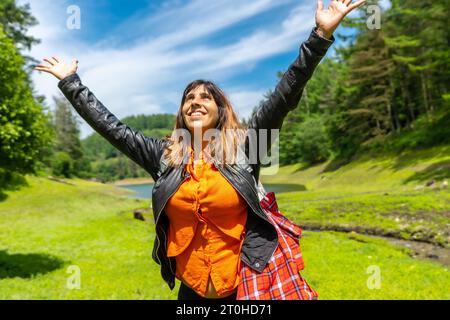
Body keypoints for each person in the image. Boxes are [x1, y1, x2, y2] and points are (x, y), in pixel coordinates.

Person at [35, 0, 366, 300]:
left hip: (245, 290)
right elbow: (111, 127)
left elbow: (284, 96)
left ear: (220, 110)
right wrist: (70, 82)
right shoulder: (162, 156)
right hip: (190, 295)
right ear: (181, 112)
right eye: (188, 98)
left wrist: (320, 35)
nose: (195, 102)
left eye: (205, 97)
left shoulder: (245, 148)